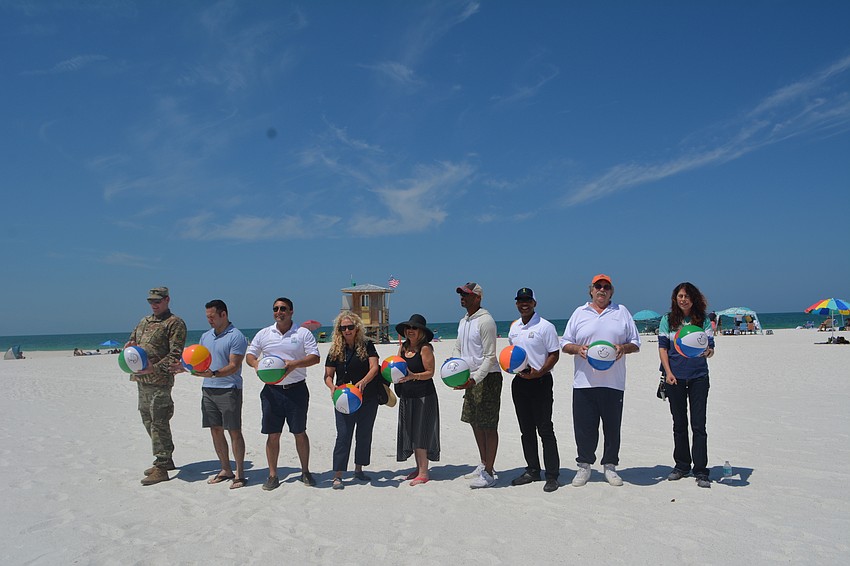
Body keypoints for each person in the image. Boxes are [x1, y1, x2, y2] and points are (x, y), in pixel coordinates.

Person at [560, 274, 640, 487]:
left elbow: (635, 342)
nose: (602, 290)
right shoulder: (579, 313)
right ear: (591, 290)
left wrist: (623, 348)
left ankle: (610, 466)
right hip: (584, 382)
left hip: (613, 382)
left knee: (612, 427)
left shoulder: (621, 312)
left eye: (606, 287)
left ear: (611, 291)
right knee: (585, 427)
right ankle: (584, 466)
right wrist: (578, 349)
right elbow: (566, 343)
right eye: (598, 286)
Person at [246, 297, 320, 492]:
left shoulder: (302, 333)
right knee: (272, 435)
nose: (279, 311)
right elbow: (250, 355)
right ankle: (272, 475)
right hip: (271, 392)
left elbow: (315, 357)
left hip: (296, 390)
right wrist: (256, 365)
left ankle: (305, 471)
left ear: (291, 311)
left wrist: (293, 364)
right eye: (276, 309)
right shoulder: (264, 334)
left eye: (283, 308)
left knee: (299, 432)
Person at [173, 299, 248, 489]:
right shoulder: (205, 337)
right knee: (215, 429)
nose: (209, 321)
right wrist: (184, 368)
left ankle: (239, 473)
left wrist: (214, 373)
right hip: (208, 389)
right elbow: (199, 361)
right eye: (207, 317)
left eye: (212, 317)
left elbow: (234, 365)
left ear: (224, 314)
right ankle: (225, 469)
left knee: (234, 431)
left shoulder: (236, 336)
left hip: (229, 389)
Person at [126, 286, 187, 486]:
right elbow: (133, 341)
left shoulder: (174, 323)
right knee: (147, 420)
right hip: (141, 381)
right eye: (151, 301)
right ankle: (166, 460)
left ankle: (161, 466)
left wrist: (154, 368)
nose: (154, 304)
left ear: (167, 299)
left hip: (160, 381)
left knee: (159, 420)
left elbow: (175, 354)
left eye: (157, 301)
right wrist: (129, 348)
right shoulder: (144, 321)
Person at [658, 282, 715, 488]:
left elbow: (710, 349)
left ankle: (701, 470)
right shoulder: (668, 320)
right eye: (680, 296)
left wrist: (706, 352)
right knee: (679, 424)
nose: (683, 299)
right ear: (675, 298)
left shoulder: (703, 320)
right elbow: (663, 348)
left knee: (699, 425)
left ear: (694, 298)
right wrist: (669, 373)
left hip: (699, 376)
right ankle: (682, 465)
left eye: (687, 296)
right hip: (675, 378)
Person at [507, 288, 561, 493]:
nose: (524, 304)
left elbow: (554, 354)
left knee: (545, 429)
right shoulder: (514, 327)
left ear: (534, 303)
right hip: (520, 383)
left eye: (527, 300)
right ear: (516, 304)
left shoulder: (545, 326)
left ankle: (553, 475)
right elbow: (512, 354)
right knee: (526, 430)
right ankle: (532, 470)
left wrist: (540, 372)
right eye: (520, 301)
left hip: (541, 382)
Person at [323, 311, 381, 490]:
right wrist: (331, 387)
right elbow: (327, 375)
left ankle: (359, 469)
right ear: (339, 330)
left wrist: (363, 381)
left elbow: (375, 367)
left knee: (364, 434)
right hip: (344, 398)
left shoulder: (367, 345)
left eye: (350, 327)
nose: (347, 330)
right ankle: (338, 474)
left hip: (367, 397)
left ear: (357, 328)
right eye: (343, 328)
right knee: (343, 435)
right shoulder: (335, 349)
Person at [451, 281, 501, 489]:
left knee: (489, 425)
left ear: (478, 297)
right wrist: (454, 368)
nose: (463, 297)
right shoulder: (464, 321)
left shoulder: (486, 321)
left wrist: (474, 379)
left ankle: (489, 471)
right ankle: (483, 463)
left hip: (487, 377)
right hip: (468, 377)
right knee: (474, 421)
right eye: (461, 294)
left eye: (467, 294)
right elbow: (457, 347)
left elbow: (490, 357)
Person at [394, 314, 440, 486]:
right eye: (408, 328)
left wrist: (413, 376)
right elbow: (395, 366)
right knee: (411, 431)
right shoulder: (403, 348)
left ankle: (424, 472)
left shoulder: (425, 348)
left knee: (421, 432)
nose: (410, 330)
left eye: (414, 328)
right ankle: (418, 467)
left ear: (421, 332)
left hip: (424, 395)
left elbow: (430, 372)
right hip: (407, 395)